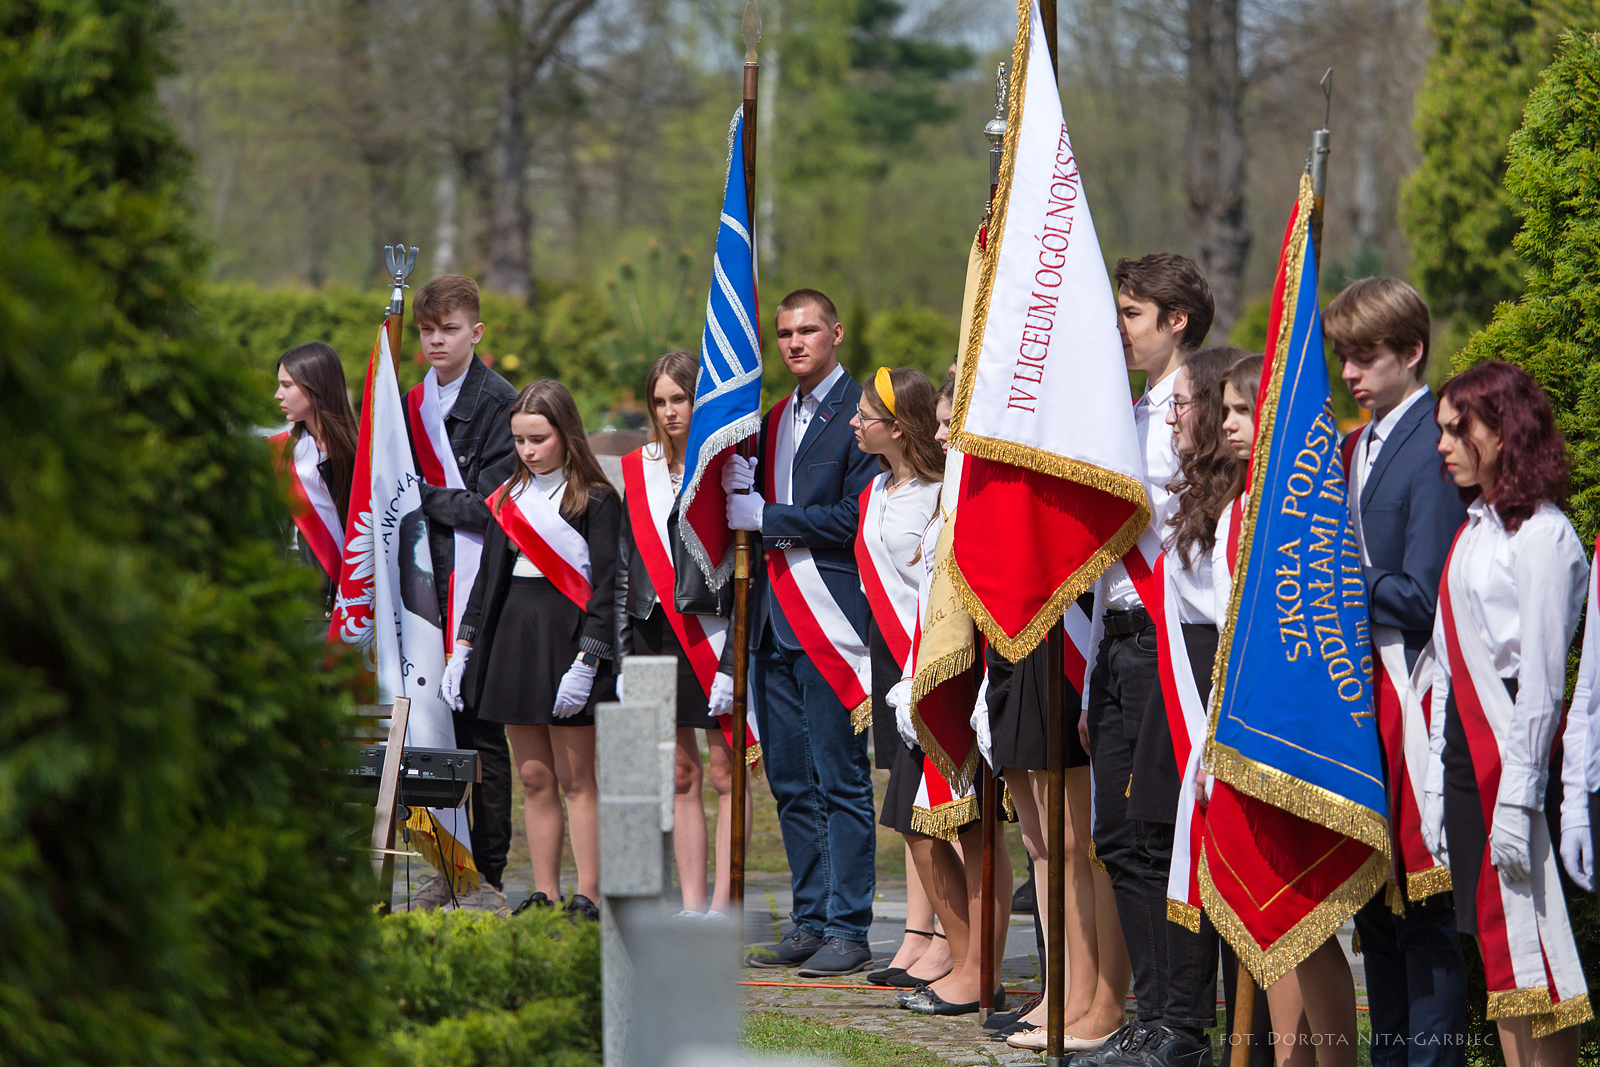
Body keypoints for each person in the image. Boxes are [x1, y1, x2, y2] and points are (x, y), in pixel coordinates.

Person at [1424, 360, 1590, 1067]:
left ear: (1507, 428)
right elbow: (1445, 663)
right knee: (1497, 945)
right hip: (1468, 754)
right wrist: (1437, 784)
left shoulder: (1544, 536)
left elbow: (1544, 684)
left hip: (1514, 759)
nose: (1445, 444)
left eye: (1461, 428)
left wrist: (1520, 796)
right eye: (1442, 430)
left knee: (1536, 944)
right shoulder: (1474, 531)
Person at [1074, 253, 1215, 1067]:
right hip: (1119, 640)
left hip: (1176, 636)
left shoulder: (1196, 406)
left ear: (1176, 321)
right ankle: (1151, 1011)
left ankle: (1184, 1023)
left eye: (1133, 313)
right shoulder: (1127, 410)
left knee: (1166, 833)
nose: (1121, 328)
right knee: (1118, 835)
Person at [1326, 277, 1468, 1067]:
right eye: (1344, 356)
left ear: (1412, 353)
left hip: (1415, 699)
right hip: (1362, 701)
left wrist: (1337, 574)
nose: (1351, 372)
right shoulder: (1359, 443)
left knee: (1422, 906)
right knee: (1374, 908)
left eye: (1367, 356)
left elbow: (1423, 594)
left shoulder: (1433, 442)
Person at [724, 289, 880, 977]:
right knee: (790, 780)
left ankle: (849, 925)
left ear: (836, 333)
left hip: (832, 625)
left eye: (808, 329)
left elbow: (855, 518)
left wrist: (771, 517)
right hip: (773, 625)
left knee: (841, 779)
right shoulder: (771, 419)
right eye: (784, 332)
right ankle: (810, 917)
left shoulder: (862, 416)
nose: (794, 342)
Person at [442, 379, 621, 922]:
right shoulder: (506, 496)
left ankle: (587, 892)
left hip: (566, 639)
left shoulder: (598, 499)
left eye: (538, 438)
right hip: (513, 638)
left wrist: (588, 661)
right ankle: (544, 890)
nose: (527, 450)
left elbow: (610, 586)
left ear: (566, 435)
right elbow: (487, 580)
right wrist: (464, 646)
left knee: (575, 778)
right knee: (534, 776)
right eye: (519, 439)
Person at [615, 349, 750, 920]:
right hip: (651, 630)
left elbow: (749, 571)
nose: (671, 412)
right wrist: (621, 653)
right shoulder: (637, 468)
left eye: (682, 399)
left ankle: (724, 906)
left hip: (712, 632)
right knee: (677, 773)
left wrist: (732, 656)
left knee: (725, 772)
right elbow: (624, 563)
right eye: (661, 401)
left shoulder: (727, 465)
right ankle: (692, 907)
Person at [403, 274, 518, 915]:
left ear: (475, 331)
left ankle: (487, 874)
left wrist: (420, 498)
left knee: (481, 738)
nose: (435, 341)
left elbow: (490, 508)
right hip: (425, 590)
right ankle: (444, 866)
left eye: (448, 329)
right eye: (426, 331)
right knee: (429, 734)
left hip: (477, 591)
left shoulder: (500, 403)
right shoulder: (410, 401)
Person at [853, 367, 954, 990]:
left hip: (929, 654)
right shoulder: (876, 488)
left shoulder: (939, 493)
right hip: (889, 657)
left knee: (931, 801)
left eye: (867, 416)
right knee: (904, 803)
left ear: (898, 426)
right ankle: (918, 929)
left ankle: (946, 935)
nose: (857, 424)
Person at [271, 342, 356, 608]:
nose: (277, 395)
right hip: (288, 603)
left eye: (287, 385)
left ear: (315, 386)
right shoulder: (278, 451)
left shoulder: (361, 454)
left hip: (344, 605)